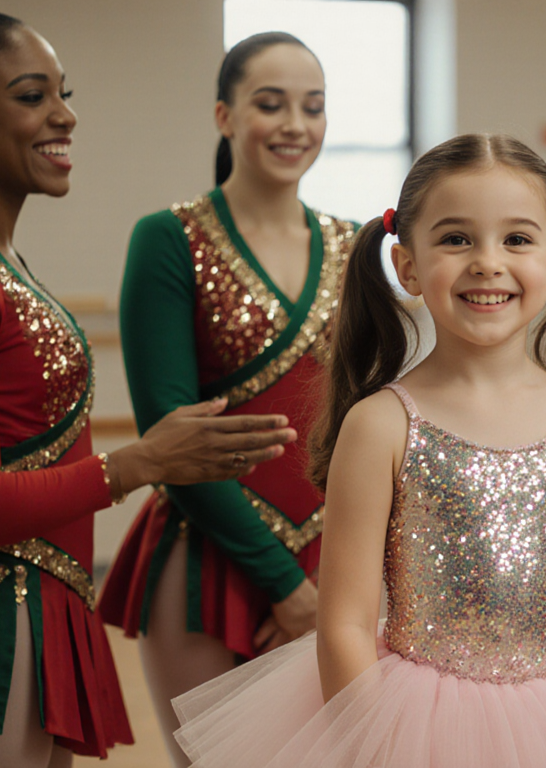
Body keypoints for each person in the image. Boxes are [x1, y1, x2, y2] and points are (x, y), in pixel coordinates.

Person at [171, 133, 546, 767]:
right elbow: (344, 622)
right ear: (406, 266)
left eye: (516, 239)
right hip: (413, 724)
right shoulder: (380, 424)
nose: (487, 262)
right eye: (456, 239)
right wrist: (374, 751)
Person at [0, 9, 292, 768]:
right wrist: (139, 464)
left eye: (63, 94)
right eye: (33, 96)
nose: (65, 115)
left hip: (37, 607)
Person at [96, 32, 355, 766]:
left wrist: (329, 587)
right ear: (224, 115)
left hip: (339, 558)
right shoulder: (168, 239)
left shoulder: (354, 245)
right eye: (269, 104)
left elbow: (375, 419)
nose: (294, 125)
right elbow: (168, 435)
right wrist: (282, 585)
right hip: (209, 556)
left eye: (313, 107)